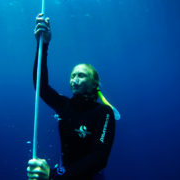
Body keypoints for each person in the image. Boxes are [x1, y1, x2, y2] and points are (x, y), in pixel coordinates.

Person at [27, 13, 115, 180]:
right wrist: (43, 44)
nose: (74, 80)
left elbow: (99, 158)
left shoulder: (104, 113)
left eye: (81, 75)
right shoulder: (65, 106)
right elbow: (41, 87)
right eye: (72, 76)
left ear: (94, 82)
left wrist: (54, 176)